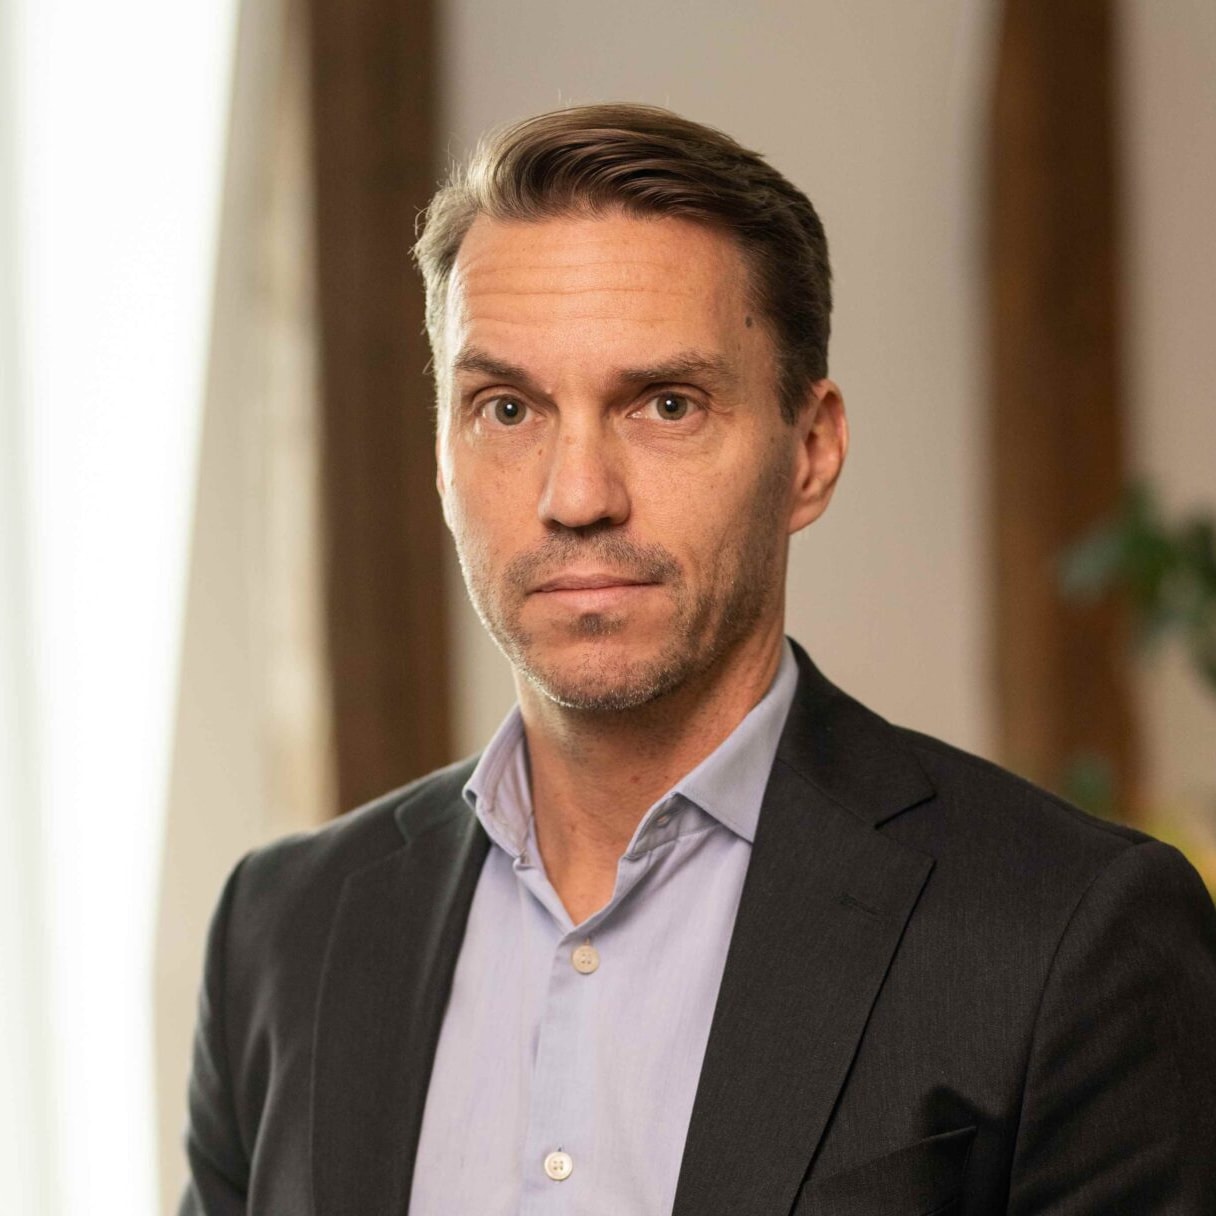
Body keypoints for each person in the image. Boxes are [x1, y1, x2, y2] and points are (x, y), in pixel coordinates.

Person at [180, 104, 1216, 1216]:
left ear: (810, 451)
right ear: (442, 456)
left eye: (665, 404)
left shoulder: (1069, 936)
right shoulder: (282, 932)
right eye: (507, 408)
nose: (577, 495)